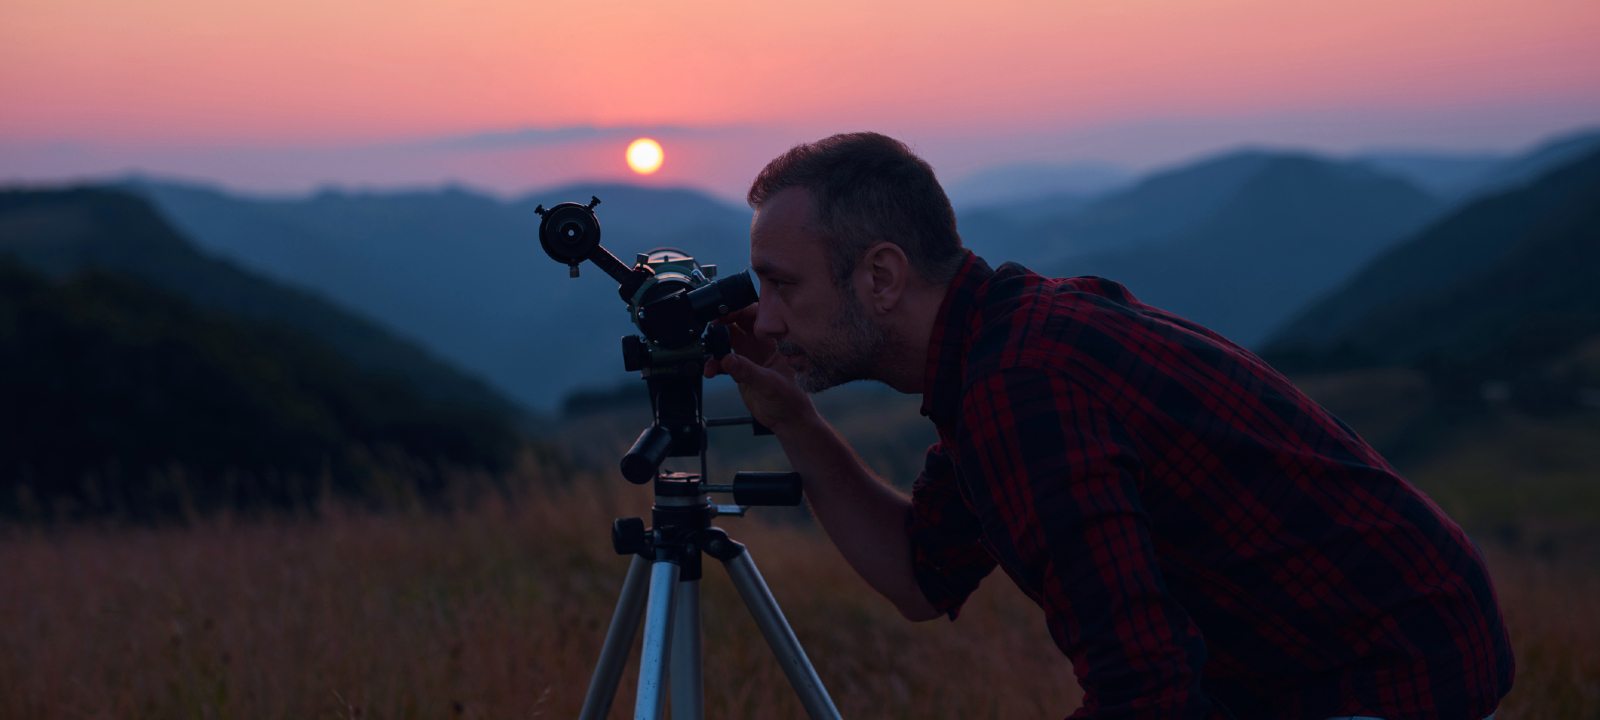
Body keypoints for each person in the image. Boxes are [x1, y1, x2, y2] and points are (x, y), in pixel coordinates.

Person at [703, 132, 1513, 720]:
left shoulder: (1023, 391)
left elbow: (1145, 693)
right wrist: (793, 418)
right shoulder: (997, 345)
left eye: (782, 285)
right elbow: (921, 575)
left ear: (881, 276)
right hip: (1329, 661)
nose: (765, 319)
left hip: (1384, 677)